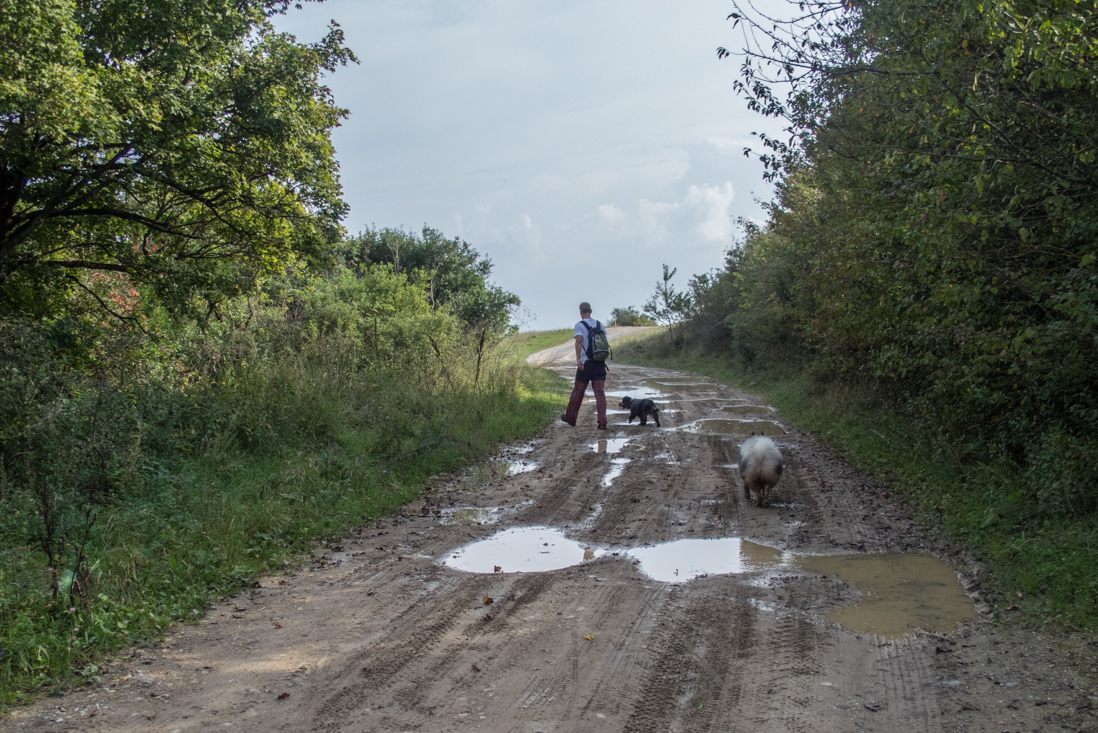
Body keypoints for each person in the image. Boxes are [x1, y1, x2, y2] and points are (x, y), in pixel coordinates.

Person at [561, 302, 608, 429]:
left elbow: (579, 341)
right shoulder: (600, 324)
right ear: (591, 311)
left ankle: (571, 418)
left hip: (586, 363)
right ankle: (602, 421)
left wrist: (578, 359)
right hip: (599, 363)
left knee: (578, 390)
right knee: (599, 392)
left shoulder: (579, 325)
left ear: (580, 311)